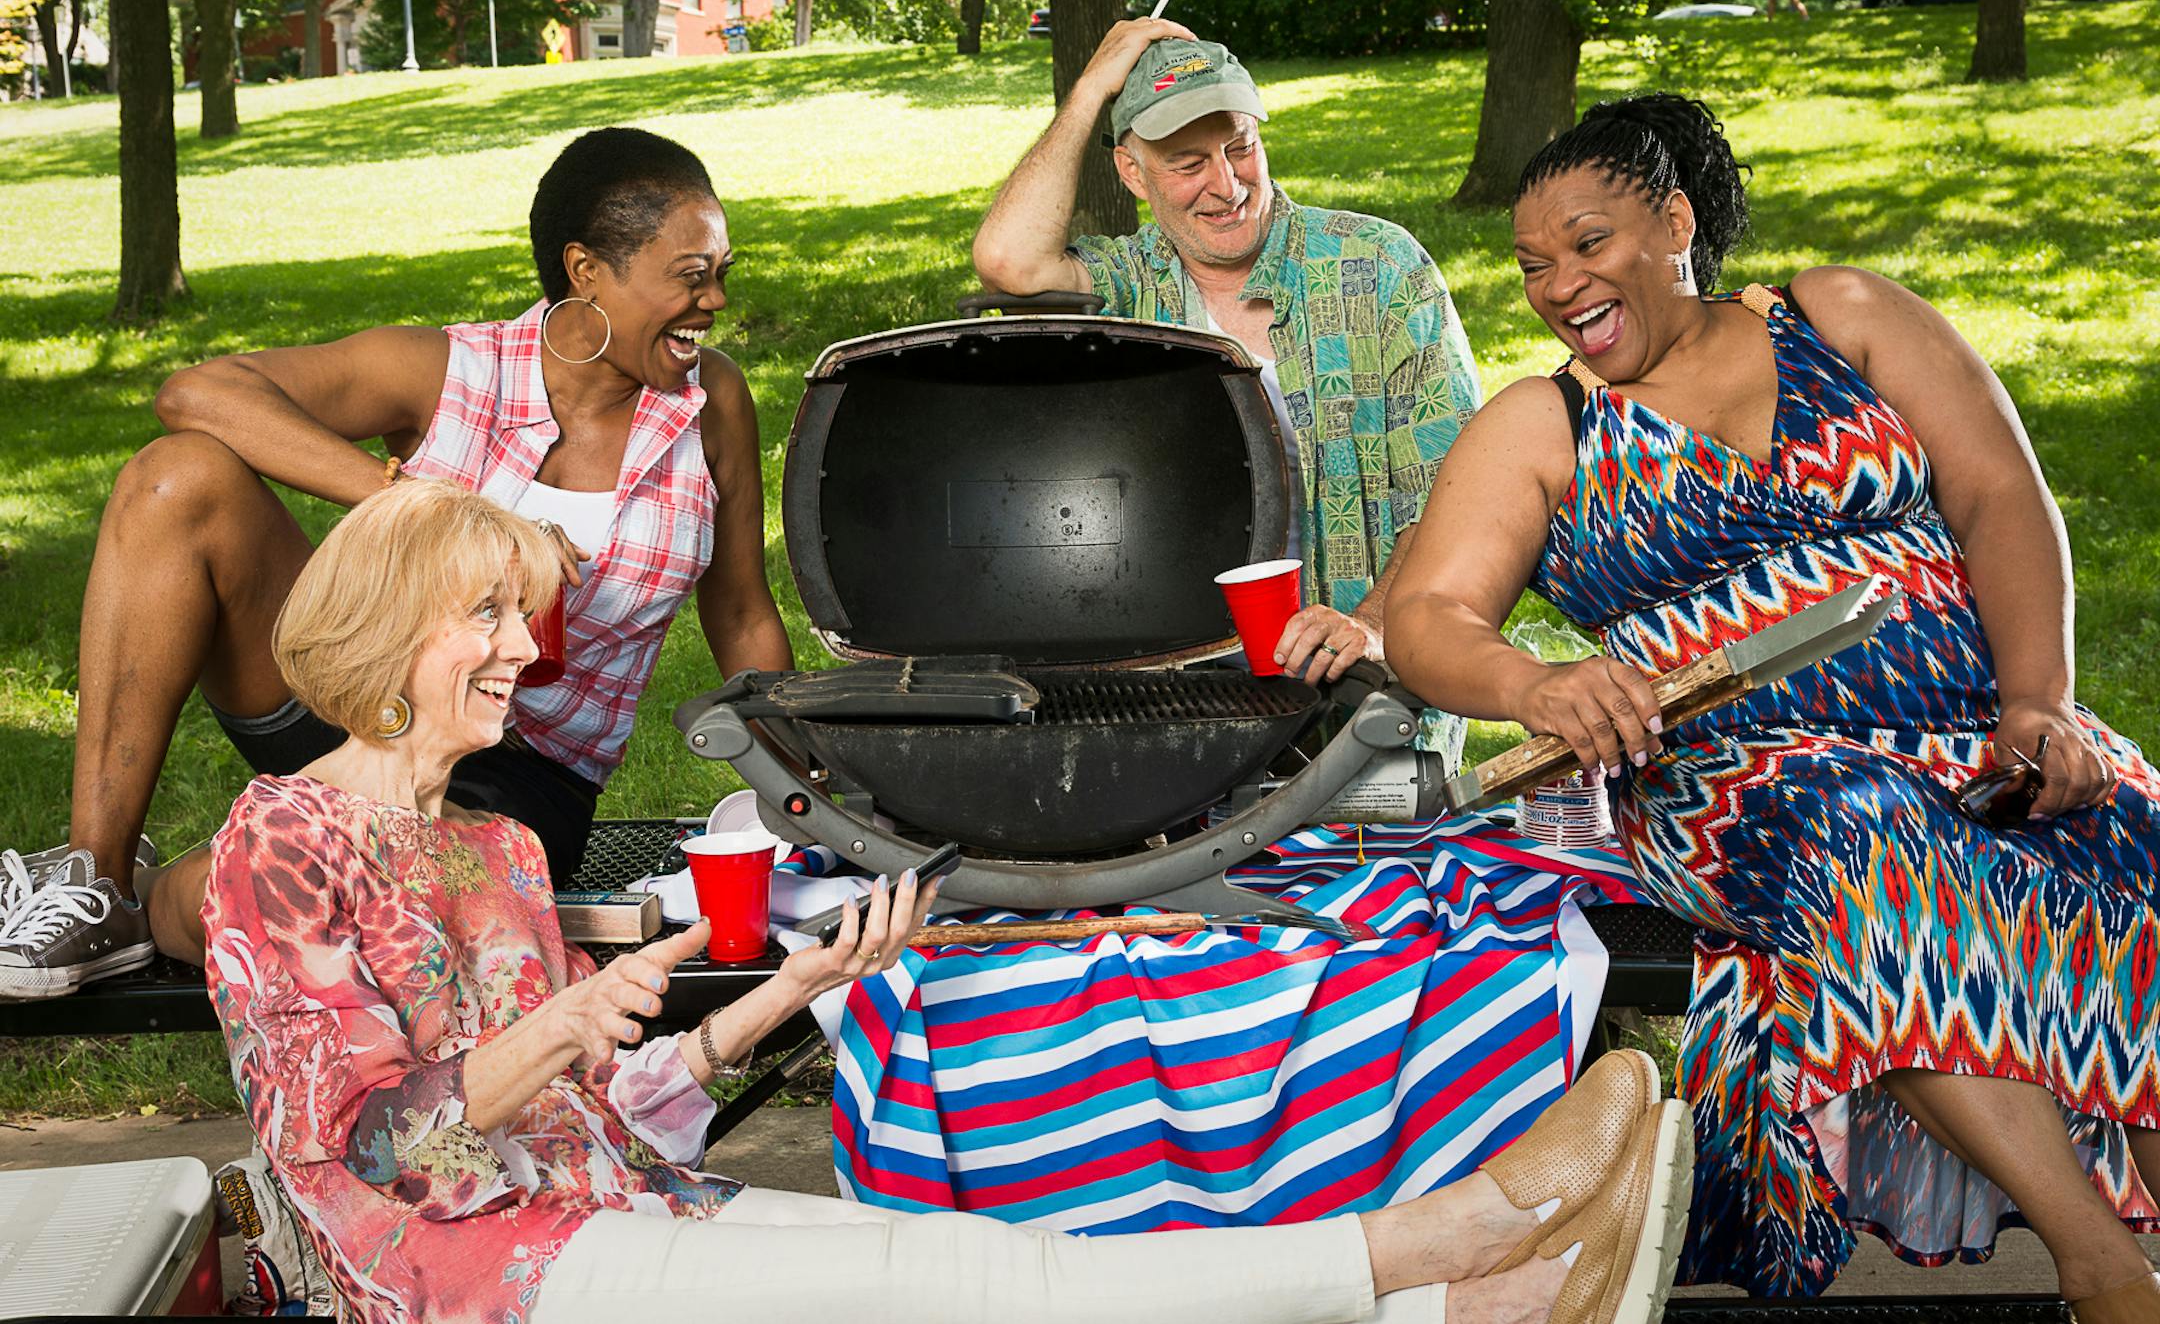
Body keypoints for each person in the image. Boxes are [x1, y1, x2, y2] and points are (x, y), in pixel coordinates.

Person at [203, 477, 1695, 1324]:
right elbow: (363, 1148)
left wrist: (787, 996)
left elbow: (597, 1118)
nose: (522, 650)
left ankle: (1455, 1297)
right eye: (484, 617)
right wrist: (561, 1026)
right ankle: (1449, 1259)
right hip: (465, 1283)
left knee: (1004, 1267)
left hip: (604, 1207)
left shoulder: (498, 854)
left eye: (518, 617)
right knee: (965, 1289)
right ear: (387, 627)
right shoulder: (281, 839)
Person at [1385, 92, 2160, 1319]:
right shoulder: (1545, 424)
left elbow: (2003, 497)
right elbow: (1427, 618)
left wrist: (2039, 706)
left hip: (1970, 732)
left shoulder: (1840, 317)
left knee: (2127, 830)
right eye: (1534, 265)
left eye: (1588, 244)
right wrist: (1537, 683)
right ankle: (2104, 1263)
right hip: (1733, 779)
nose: (1558, 285)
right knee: (1868, 837)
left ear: (1676, 221)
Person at [0, 126, 790, 998]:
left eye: (722, 272)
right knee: (173, 478)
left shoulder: (709, 403)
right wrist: (438, 509)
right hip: (354, 704)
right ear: (587, 272)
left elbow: (744, 611)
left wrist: (804, 797)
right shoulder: (450, 369)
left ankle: (168, 893)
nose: (714, 301)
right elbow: (196, 394)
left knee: (336, 903)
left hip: (515, 779)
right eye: (690, 276)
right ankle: (96, 880)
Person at [972, 20, 1481, 716]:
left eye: (1240, 146)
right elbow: (1008, 258)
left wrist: (1371, 626)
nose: (1227, 183)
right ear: (1132, 172)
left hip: (1359, 697)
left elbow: (1457, 492)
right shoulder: (1129, 284)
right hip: (1173, 701)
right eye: (1187, 163)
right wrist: (1092, 87)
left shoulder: (1379, 269)